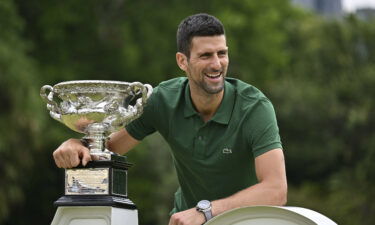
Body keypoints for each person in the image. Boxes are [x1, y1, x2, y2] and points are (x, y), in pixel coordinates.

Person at [53, 13, 287, 225]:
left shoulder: (255, 107)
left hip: (248, 221)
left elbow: (276, 190)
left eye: (222, 53)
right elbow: (110, 147)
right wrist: (77, 144)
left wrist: (206, 211)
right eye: (206, 55)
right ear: (182, 61)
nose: (217, 64)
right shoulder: (162, 100)